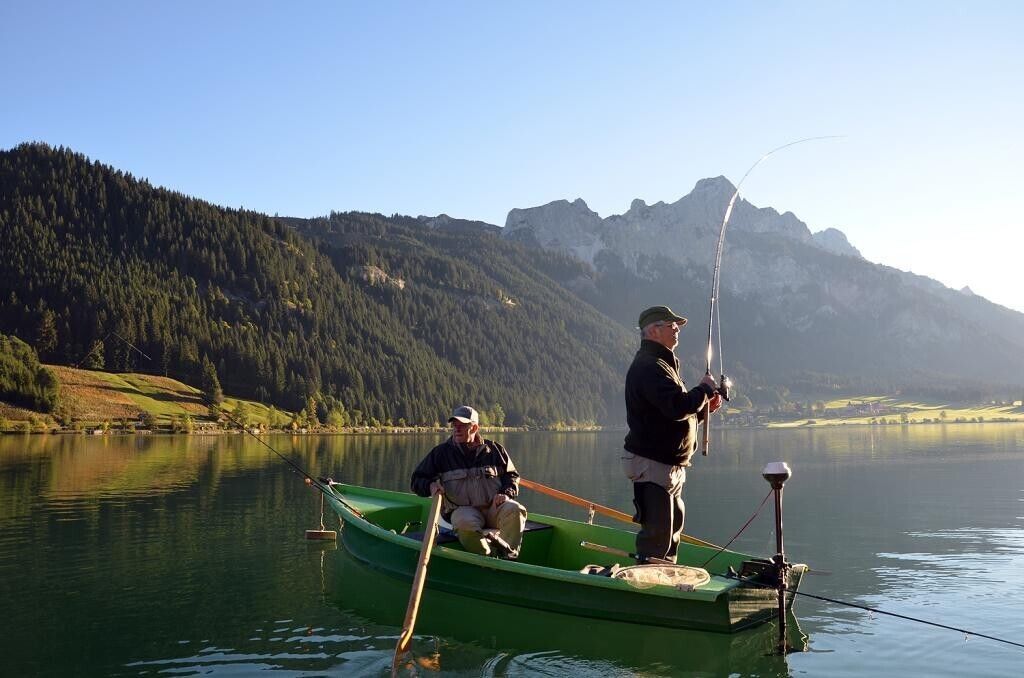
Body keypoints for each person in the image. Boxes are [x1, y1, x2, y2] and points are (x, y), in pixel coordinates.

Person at [623, 305, 722, 563]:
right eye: (671, 325)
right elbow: (677, 406)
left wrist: (705, 409)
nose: (677, 329)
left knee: (671, 532)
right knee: (657, 537)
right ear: (653, 331)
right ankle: (647, 583)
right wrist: (703, 390)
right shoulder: (649, 366)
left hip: (668, 464)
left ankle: (664, 577)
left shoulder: (661, 365)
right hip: (652, 463)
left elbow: (672, 415)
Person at [411, 405, 527, 559]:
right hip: (462, 510)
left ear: (474, 428)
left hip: (493, 508)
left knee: (516, 510)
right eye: (455, 425)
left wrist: (506, 493)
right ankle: (488, 558)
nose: (457, 429)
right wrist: (430, 485)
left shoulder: (495, 450)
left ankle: (508, 557)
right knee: (464, 522)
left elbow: (511, 475)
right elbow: (417, 480)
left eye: (462, 425)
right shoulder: (441, 454)